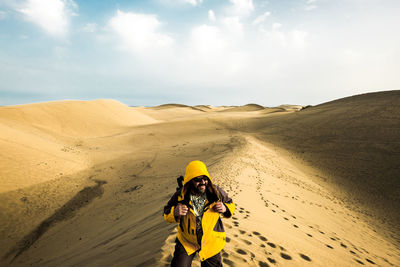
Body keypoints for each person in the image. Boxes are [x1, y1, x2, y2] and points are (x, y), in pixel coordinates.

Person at [163, 160, 235, 267]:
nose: (203, 182)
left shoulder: (216, 192)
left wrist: (225, 208)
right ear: (190, 180)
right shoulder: (180, 195)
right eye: (198, 179)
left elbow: (230, 203)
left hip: (210, 242)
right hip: (187, 241)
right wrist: (175, 212)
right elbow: (166, 212)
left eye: (205, 178)